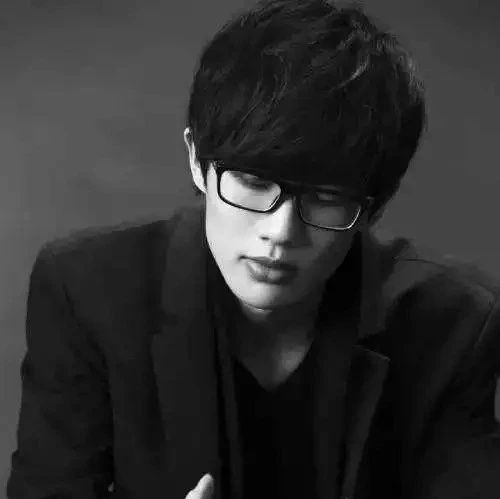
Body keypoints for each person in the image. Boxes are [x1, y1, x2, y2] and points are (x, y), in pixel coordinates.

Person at [6, 0, 500, 498]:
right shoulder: (88, 293)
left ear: (373, 206)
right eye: (253, 183)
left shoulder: (452, 325)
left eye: (326, 199)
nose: (281, 232)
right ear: (196, 160)